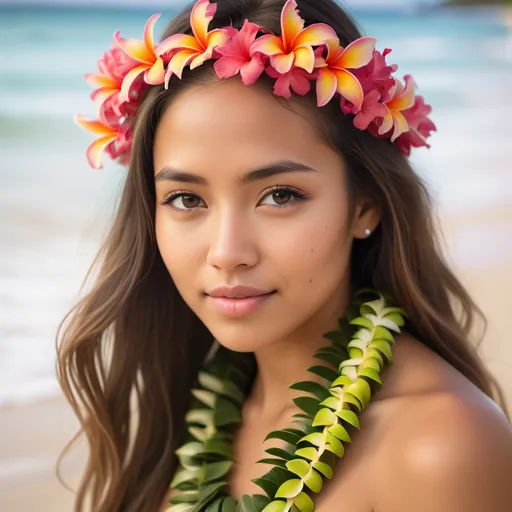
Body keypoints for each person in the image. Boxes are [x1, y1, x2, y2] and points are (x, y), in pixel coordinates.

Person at [58, 0, 512, 511]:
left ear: (366, 205)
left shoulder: (441, 444)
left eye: (280, 196)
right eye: (187, 199)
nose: (228, 253)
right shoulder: (186, 414)